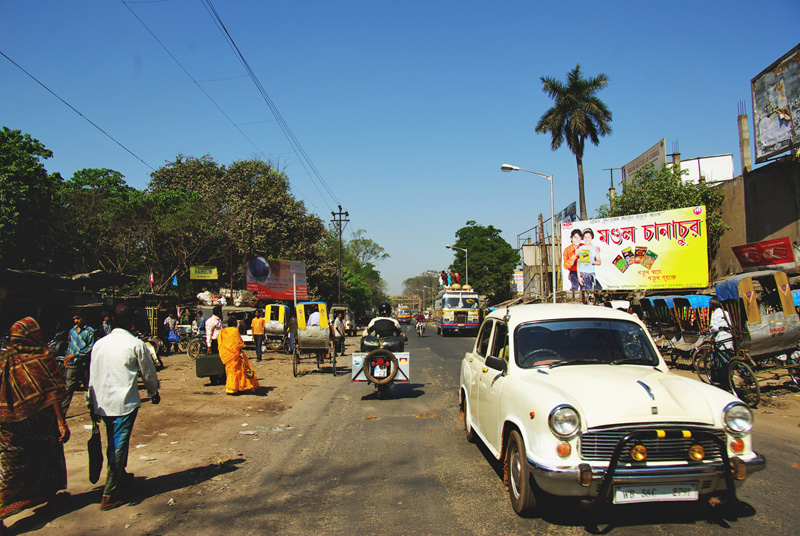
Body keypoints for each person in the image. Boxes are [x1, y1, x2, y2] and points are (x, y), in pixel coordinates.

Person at [0, 317, 71, 533]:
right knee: (47, 460)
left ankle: (49, 497)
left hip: (9, 428)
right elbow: (53, 393)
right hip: (41, 424)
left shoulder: (4, 359)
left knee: (12, 469)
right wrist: (61, 422)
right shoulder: (43, 357)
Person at [88, 304, 160, 511]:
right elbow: (148, 373)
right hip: (123, 404)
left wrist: (90, 400)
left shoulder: (100, 344)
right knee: (118, 445)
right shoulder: (135, 344)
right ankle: (110, 494)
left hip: (101, 402)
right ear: (131, 322)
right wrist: (153, 392)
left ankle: (121, 476)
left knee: (113, 441)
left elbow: (92, 375)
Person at [62, 311, 96, 415]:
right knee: (68, 388)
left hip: (84, 363)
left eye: (78, 318)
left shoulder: (90, 331)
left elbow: (90, 347)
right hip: (73, 363)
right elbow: (70, 345)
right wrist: (67, 357)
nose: (76, 321)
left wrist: (76, 354)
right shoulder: (72, 331)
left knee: (89, 388)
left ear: (83, 318)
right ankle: (62, 413)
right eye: (74, 319)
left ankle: (94, 410)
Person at [218, 318, 259, 396]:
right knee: (240, 371)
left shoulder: (223, 331)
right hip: (236, 355)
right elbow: (239, 343)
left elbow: (220, 343)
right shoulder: (235, 331)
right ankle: (240, 388)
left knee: (230, 372)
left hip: (227, 356)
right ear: (234, 323)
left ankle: (231, 389)